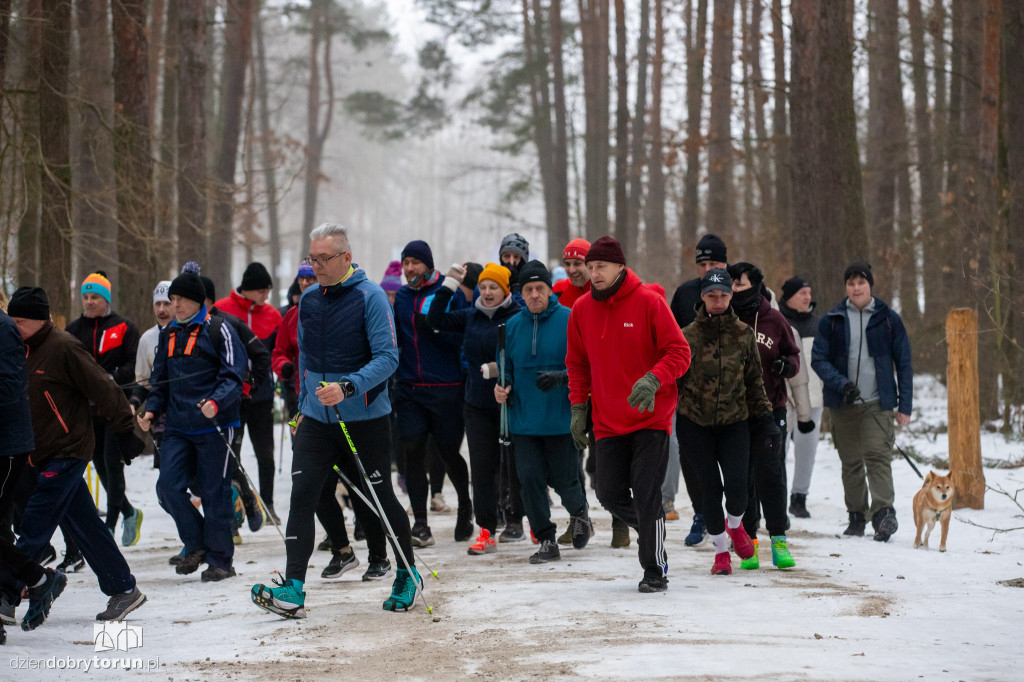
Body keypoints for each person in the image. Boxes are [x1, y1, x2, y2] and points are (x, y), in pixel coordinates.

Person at [251, 223, 419, 616]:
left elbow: (388, 358)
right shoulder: (308, 301)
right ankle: (293, 588)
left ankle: (407, 573)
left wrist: (349, 386)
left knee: (379, 498)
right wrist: (302, 406)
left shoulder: (370, 297)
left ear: (346, 257)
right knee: (302, 495)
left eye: (324, 259)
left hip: (365, 418)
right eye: (312, 259)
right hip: (316, 418)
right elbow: (306, 359)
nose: (316, 266)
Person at [7, 286, 147, 621]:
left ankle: (5, 595)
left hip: (68, 449)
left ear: (40, 320)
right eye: (12, 321)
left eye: (20, 321)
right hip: (34, 451)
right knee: (85, 524)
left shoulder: (65, 347)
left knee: (35, 524)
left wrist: (124, 430)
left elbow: (104, 387)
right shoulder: (16, 349)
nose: (14, 327)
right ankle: (123, 588)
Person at [566, 237, 691, 593]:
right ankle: (652, 527)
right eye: (591, 267)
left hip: (650, 417)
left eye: (601, 267)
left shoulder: (649, 302)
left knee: (648, 493)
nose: (594, 274)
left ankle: (654, 569)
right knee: (607, 492)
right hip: (607, 420)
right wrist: (578, 407)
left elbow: (679, 352)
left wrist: (654, 378)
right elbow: (577, 364)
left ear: (620, 267)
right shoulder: (581, 310)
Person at [139, 263, 247, 581]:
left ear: (197, 301)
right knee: (167, 488)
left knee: (214, 492)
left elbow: (234, 376)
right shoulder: (169, 334)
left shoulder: (219, 330)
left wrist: (216, 401)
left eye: (181, 299)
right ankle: (197, 543)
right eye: (172, 299)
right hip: (178, 427)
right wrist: (150, 410)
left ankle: (221, 561)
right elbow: (159, 381)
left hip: (215, 425)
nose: (175, 305)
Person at [677, 269, 775, 575]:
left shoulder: (744, 334)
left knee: (737, 488)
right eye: (712, 296)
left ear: (731, 296)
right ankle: (721, 552)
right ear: (702, 297)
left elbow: (754, 380)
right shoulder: (687, 335)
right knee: (710, 489)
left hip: (734, 422)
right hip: (695, 424)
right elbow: (674, 379)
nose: (718, 302)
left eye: (723, 295)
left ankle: (735, 525)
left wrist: (767, 417)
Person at [496, 260, 592, 564]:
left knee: (565, 480)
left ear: (550, 290)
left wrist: (562, 377)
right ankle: (546, 539)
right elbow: (505, 369)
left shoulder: (570, 319)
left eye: (540, 288)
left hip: (561, 418)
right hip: (523, 420)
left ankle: (579, 513)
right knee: (530, 480)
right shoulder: (512, 326)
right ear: (521, 293)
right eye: (528, 289)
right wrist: (502, 387)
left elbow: (588, 364)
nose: (534, 294)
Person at [812, 261, 912, 542]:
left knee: (878, 456)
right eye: (851, 283)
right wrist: (841, 384)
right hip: (842, 403)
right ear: (846, 287)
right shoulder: (833, 320)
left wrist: (904, 405)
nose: (856, 288)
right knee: (851, 462)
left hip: (877, 403)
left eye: (861, 283)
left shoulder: (888, 319)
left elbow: (904, 363)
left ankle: (883, 514)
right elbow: (818, 359)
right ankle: (856, 516)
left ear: (870, 285)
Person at [272, 263, 361, 580]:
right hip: (306, 406)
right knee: (313, 487)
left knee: (358, 481)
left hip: (348, 406)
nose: (307, 282)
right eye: (303, 278)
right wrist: (284, 366)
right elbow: (279, 351)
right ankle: (340, 549)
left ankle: (379, 549)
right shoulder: (293, 314)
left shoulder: (349, 305)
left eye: (312, 276)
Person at [426, 261, 522, 553]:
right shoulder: (471, 316)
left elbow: (524, 357)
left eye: (494, 287)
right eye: (483, 287)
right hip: (477, 404)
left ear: (505, 290)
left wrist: (502, 373)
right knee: (481, 468)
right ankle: (486, 530)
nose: (488, 292)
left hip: (511, 402)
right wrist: (450, 284)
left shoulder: (517, 317)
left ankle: (520, 521)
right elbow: (435, 319)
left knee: (516, 465)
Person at [393, 239, 474, 547]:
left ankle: (465, 506)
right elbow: (396, 338)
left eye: (415, 262)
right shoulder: (402, 296)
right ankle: (420, 524)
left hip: (446, 388)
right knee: (412, 451)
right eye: (405, 263)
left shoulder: (449, 291)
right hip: (410, 387)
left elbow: (464, 334)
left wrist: (434, 328)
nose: (409, 268)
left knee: (448, 452)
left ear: (428, 264)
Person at [727, 263, 801, 570]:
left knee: (771, 474)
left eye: (741, 285)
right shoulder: (725, 319)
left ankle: (779, 539)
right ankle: (750, 544)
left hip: (771, 409)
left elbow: (794, 356)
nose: (734, 290)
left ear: (756, 286)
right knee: (742, 478)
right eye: (732, 284)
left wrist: (786, 365)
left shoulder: (774, 319)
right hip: (735, 412)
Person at [1, 306, 67, 637]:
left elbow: (10, 386)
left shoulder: (3, 329)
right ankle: (38, 580)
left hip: (7, 447)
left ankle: (38, 579)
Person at [66, 271, 143, 546]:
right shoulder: (73, 330)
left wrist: (110, 379)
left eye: (95, 297)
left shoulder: (124, 327)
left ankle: (109, 526)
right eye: (85, 297)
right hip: (87, 410)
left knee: (113, 464)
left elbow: (133, 363)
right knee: (99, 465)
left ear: (106, 299)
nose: (89, 302)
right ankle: (130, 512)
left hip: (115, 407)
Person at [669, 233, 729, 547]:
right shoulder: (684, 294)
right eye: (702, 264)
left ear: (725, 264)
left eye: (713, 263)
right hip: (690, 392)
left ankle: (736, 517)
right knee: (691, 458)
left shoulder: (736, 290)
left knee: (730, 459)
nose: (707, 270)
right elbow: (668, 338)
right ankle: (702, 513)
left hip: (730, 393)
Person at [203, 276, 273, 538]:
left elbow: (262, 355)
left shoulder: (229, 323)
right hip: (201, 407)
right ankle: (238, 508)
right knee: (219, 464)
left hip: (237, 403)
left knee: (232, 459)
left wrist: (250, 388)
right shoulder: (182, 329)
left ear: (207, 301)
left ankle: (241, 513)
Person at [214, 262, 283, 522]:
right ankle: (238, 507)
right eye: (262, 291)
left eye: (268, 291)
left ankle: (268, 504)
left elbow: (277, 352)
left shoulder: (272, 315)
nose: (266, 296)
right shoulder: (222, 308)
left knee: (266, 454)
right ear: (248, 289)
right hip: (232, 396)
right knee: (232, 455)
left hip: (261, 396)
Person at [779, 276, 824, 518]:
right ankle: (777, 496)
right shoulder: (778, 322)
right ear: (789, 297)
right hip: (783, 397)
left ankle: (799, 496)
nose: (808, 297)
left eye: (809, 292)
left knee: (807, 450)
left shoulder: (819, 325)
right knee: (779, 449)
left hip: (813, 396)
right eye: (802, 293)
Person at [132, 280, 174, 468]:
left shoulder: (191, 334)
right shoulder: (147, 339)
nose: (161, 310)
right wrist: (133, 403)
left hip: (188, 413)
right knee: (166, 473)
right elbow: (144, 383)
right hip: (160, 418)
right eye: (158, 304)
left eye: (167, 303)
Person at [552, 238, 591, 308]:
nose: (571, 270)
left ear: (590, 265)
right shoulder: (559, 288)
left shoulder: (602, 290)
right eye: (567, 264)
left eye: (577, 264)